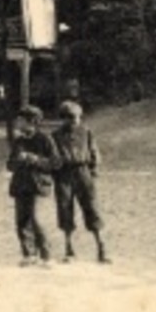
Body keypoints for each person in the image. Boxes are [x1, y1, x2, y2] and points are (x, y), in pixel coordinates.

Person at [50, 100, 108, 263]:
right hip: (64, 175)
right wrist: (56, 168)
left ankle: (101, 248)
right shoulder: (55, 136)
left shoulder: (86, 132)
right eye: (70, 117)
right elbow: (51, 158)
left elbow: (94, 151)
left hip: (83, 172)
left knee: (92, 208)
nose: (75, 120)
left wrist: (93, 170)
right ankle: (69, 250)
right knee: (65, 209)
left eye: (77, 117)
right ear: (64, 118)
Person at [7, 105, 58, 267]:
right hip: (20, 185)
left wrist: (34, 159)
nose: (17, 123)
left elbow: (56, 163)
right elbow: (9, 165)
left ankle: (47, 256)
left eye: (20, 120)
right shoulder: (18, 141)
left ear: (32, 122)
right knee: (22, 220)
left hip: (38, 185)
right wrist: (17, 161)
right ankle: (29, 254)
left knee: (36, 219)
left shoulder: (45, 139)